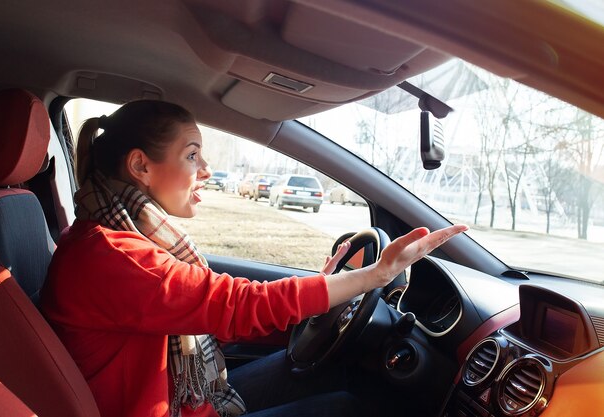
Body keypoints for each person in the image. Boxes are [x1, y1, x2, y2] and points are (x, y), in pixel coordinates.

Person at [40, 100, 467, 417]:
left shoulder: (109, 240)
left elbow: (207, 316)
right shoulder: (116, 257)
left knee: (331, 370)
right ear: (140, 166)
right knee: (350, 407)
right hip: (173, 407)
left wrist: (318, 296)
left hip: (182, 396)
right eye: (191, 155)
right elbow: (238, 306)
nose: (205, 168)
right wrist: (376, 276)